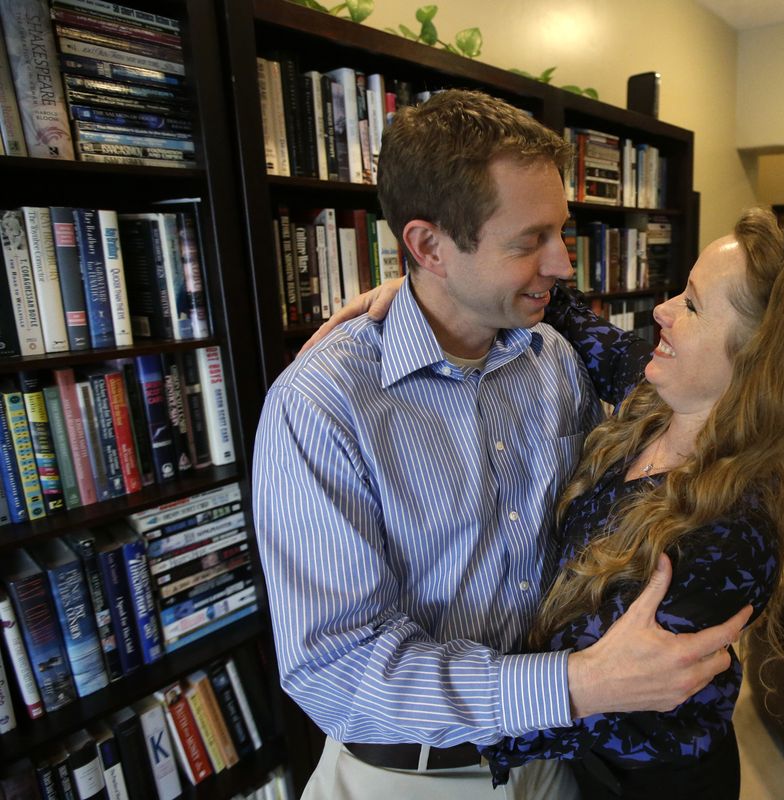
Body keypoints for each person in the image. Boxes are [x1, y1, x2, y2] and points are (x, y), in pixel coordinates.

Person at [252, 89, 750, 800]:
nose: (563, 265)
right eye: (528, 242)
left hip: (563, 760)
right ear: (427, 245)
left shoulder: (555, 359)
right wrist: (578, 682)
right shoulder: (320, 406)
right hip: (418, 776)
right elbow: (336, 668)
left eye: (561, 233)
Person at [324, 207, 784, 797]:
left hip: (641, 781)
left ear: (760, 360)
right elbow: (567, 312)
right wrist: (433, 289)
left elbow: (587, 700)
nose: (662, 310)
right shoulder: (654, 392)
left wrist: (398, 728)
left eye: (691, 304)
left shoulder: (730, 536)